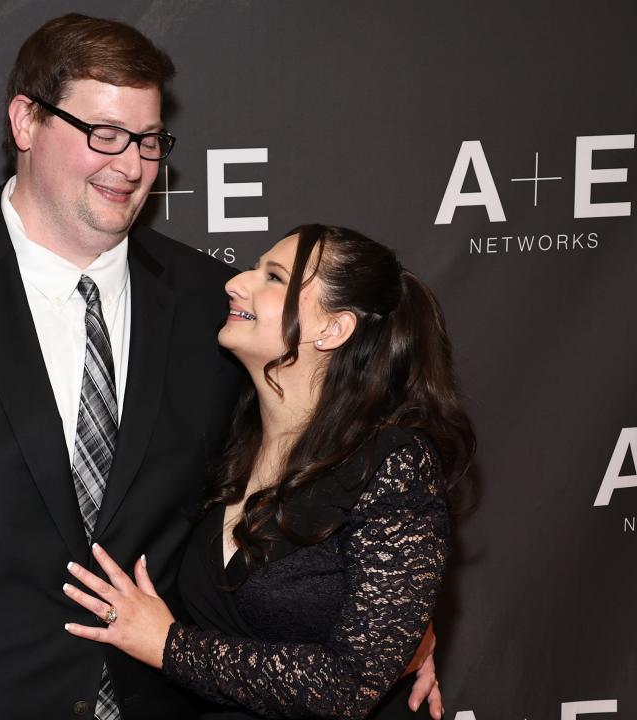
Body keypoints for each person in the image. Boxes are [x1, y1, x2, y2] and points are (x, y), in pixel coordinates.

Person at [0, 13, 442, 720]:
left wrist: (395, 625)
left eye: (148, 141)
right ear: (25, 121)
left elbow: (329, 462)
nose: (130, 164)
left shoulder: (211, 307)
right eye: (102, 134)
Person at [62, 225, 475, 718]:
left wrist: (168, 646)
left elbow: (349, 685)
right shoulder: (228, 437)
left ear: (332, 328)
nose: (237, 283)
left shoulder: (392, 463)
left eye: (274, 277)